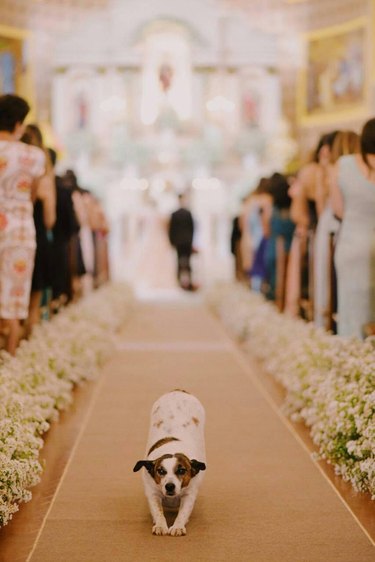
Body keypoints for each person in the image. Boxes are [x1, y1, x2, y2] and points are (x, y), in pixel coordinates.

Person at [0, 95, 45, 354]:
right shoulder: (34, 156)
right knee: (14, 301)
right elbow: (32, 194)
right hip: (19, 230)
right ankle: (9, 363)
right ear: (18, 124)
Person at [330, 119, 375, 338]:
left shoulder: (344, 165)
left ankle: (352, 357)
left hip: (350, 245)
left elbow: (338, 210)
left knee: (350, 305)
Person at [21, 124, 56, 331]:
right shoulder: (43, 175)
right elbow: (49, 218)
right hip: (35, 236)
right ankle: (26, 345)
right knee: (34, 298)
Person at [168, 193, 196, 290]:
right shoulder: (188, 213)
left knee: (180, 261)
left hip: (179, 242)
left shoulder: (175, 214)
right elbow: (192, 229)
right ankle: (188, 281)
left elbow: (172, 230)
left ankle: (181, 280)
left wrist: (172, 241)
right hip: (186, 241)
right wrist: (191, 241)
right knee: (187, 262)